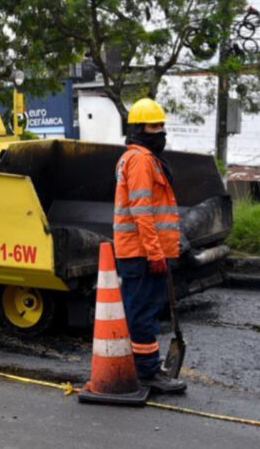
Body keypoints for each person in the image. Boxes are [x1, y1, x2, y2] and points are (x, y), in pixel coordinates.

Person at [113, 98, 186, 394]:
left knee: (141, 309)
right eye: (153, 126)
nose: (160, 132)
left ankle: (142, 367)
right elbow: (141, 210)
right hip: (142, 253)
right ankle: (147, 372)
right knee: (143, 312)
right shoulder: (141, 160)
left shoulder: (137, 157)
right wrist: (155, 252)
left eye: (161, 126)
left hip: (141, 251)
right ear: (138, 128)